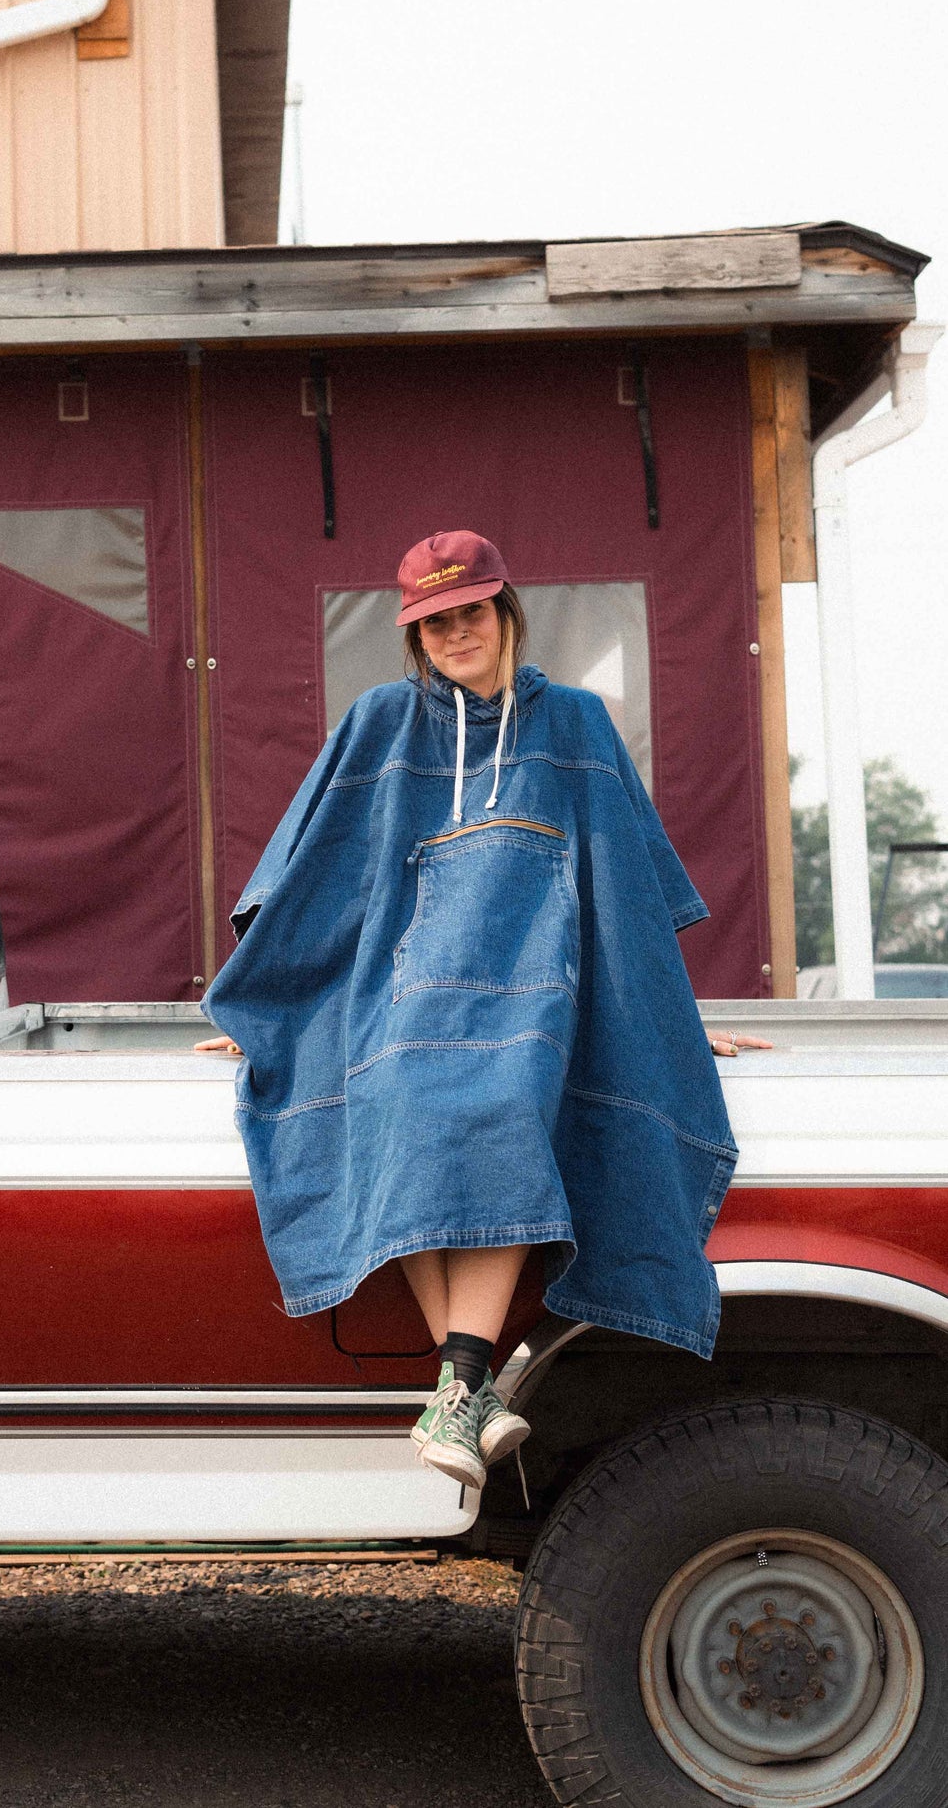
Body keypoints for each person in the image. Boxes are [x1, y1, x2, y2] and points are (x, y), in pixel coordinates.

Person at [196, 530, 770, 1491]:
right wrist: (274, 1007)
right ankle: (471, 1389)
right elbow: (310, 877)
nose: (456, 631)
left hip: (540, 991)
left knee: (504, 1105)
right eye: (435, 620)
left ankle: (457, 1385)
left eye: (471, 611)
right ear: (413, 636)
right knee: (397, 1105)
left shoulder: (578, 724)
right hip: (397, 991)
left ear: (505, 612)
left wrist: (663, 1010)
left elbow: (624, 888)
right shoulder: (381, 721)